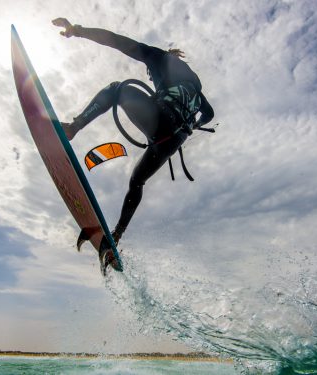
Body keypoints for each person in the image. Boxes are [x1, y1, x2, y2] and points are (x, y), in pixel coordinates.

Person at [52, 18, 215, 256]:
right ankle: (116, 235)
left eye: (150, 73)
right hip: (172, 141)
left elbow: (118, 42)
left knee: (116, 88)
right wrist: (193, 125)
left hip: (162, 121)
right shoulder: (196, 88)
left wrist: (78, 31)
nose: (150, 77)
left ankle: (72, 128)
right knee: (137, 182)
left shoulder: (158, 58)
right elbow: (209, 114)